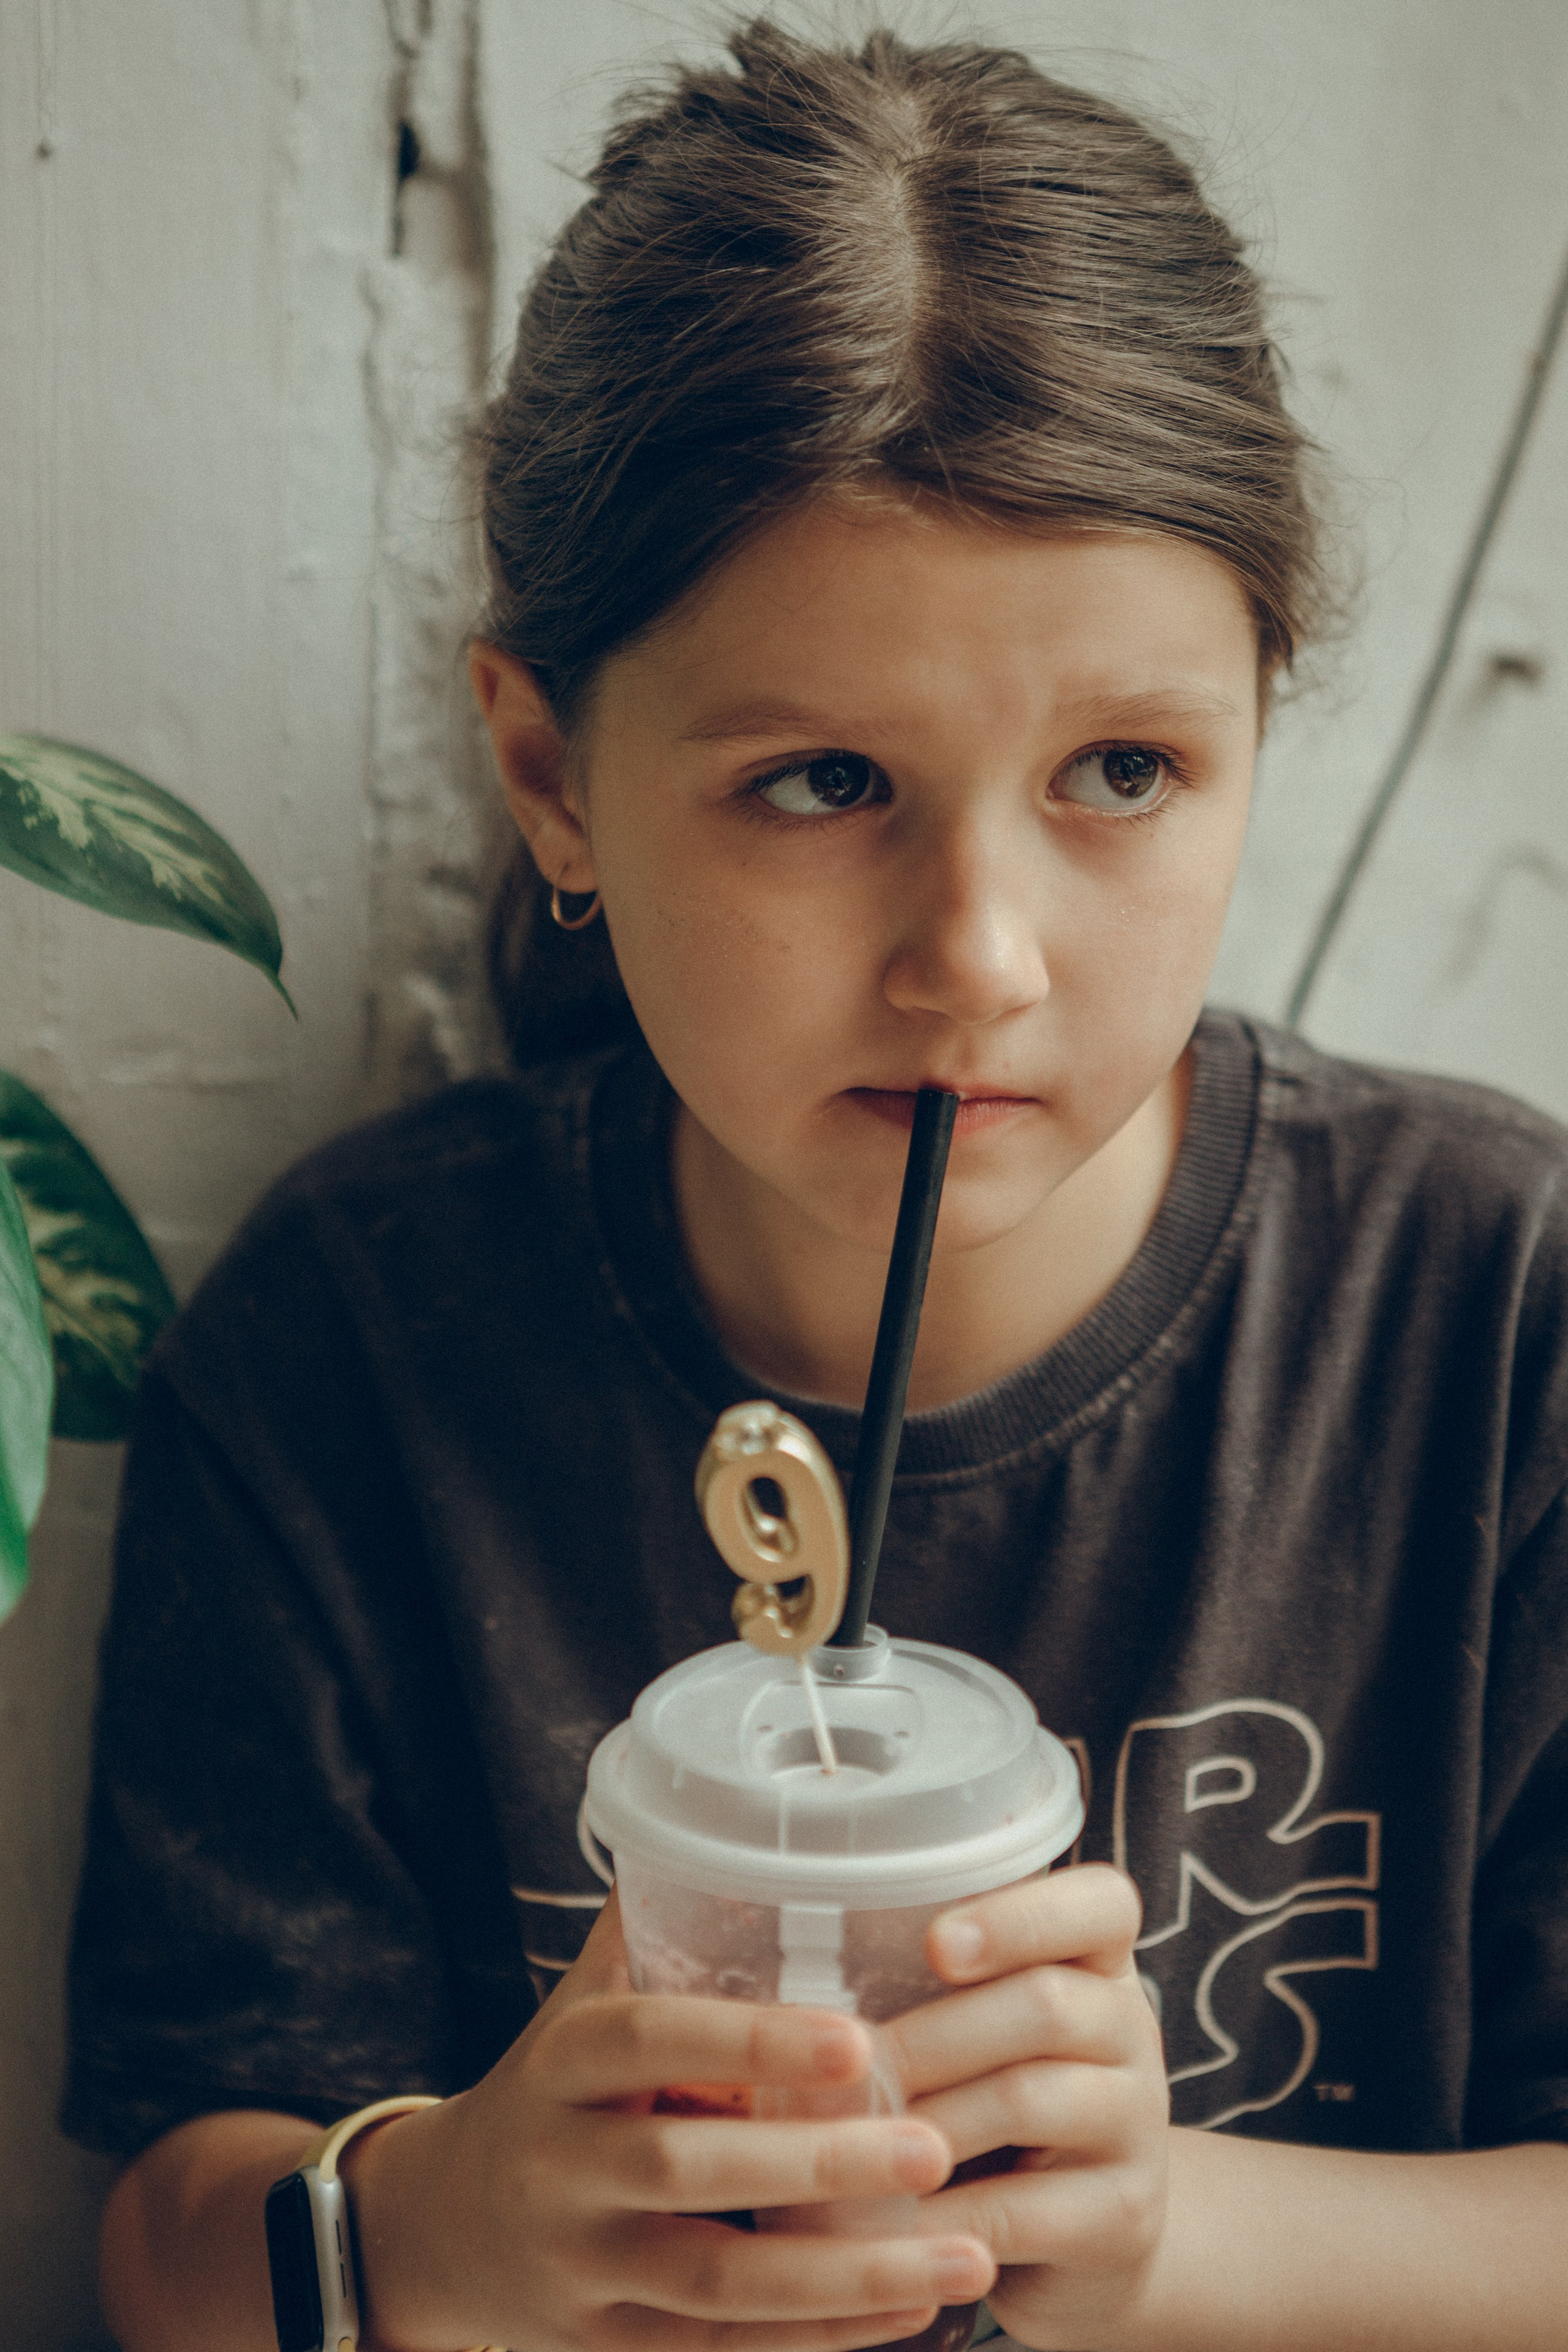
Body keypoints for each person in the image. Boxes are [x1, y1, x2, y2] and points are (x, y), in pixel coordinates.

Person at [66, 21, 1567, 2352]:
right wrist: (445, 2225)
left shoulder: (1497, 1319)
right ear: (552, 774)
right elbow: (169, 2229)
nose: (978, 958)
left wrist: (1177, 2245)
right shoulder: (357, 1344)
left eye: (1126, 770)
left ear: (1264, 724)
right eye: (825, 779)